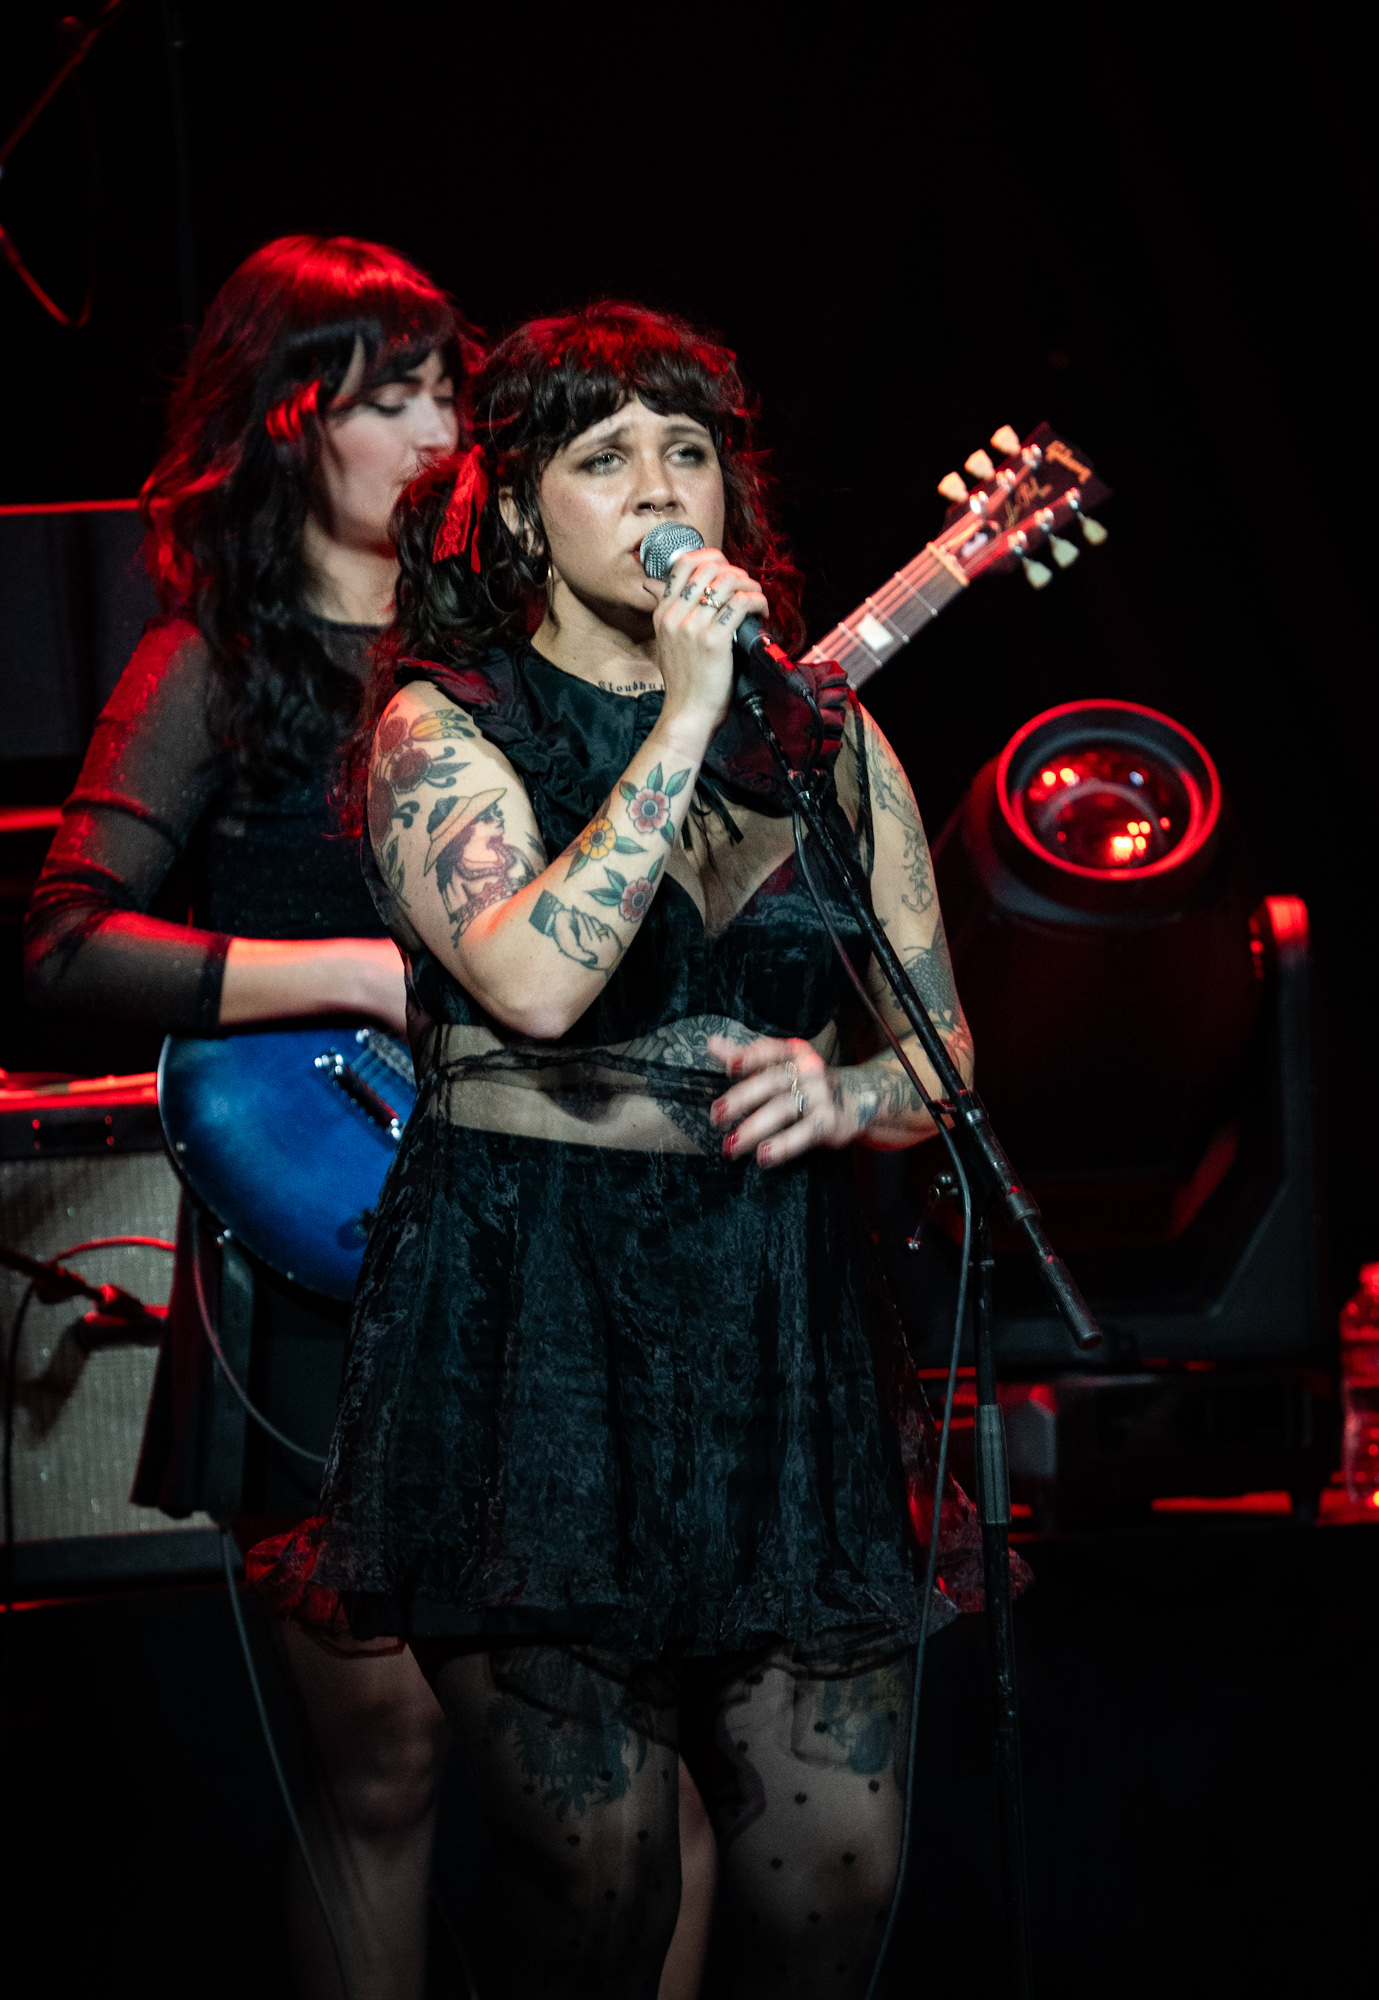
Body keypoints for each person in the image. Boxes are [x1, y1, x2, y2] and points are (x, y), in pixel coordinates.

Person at [250, 300, 979, 2000]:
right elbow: (534, 981)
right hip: (534, 1330)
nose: (660, 489)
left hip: (773, 1333)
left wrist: (847, 1097)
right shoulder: (445, 724)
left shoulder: (830, 744)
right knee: (599, 1878)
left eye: (689, 452)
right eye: (604, 458)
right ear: (517, 510)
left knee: (840, 1864)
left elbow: (942, 1058)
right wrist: (682, 715)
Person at [24, 235, 469, 2000]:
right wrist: (351, 972)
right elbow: (67, 941)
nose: (441, 434)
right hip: (319, 1245)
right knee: (388, 1763)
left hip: (516, 1233)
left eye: (448, 395)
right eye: (394, 398)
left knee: (589, 1751)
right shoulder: (211, 664)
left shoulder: (501, 656)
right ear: (294, 424)